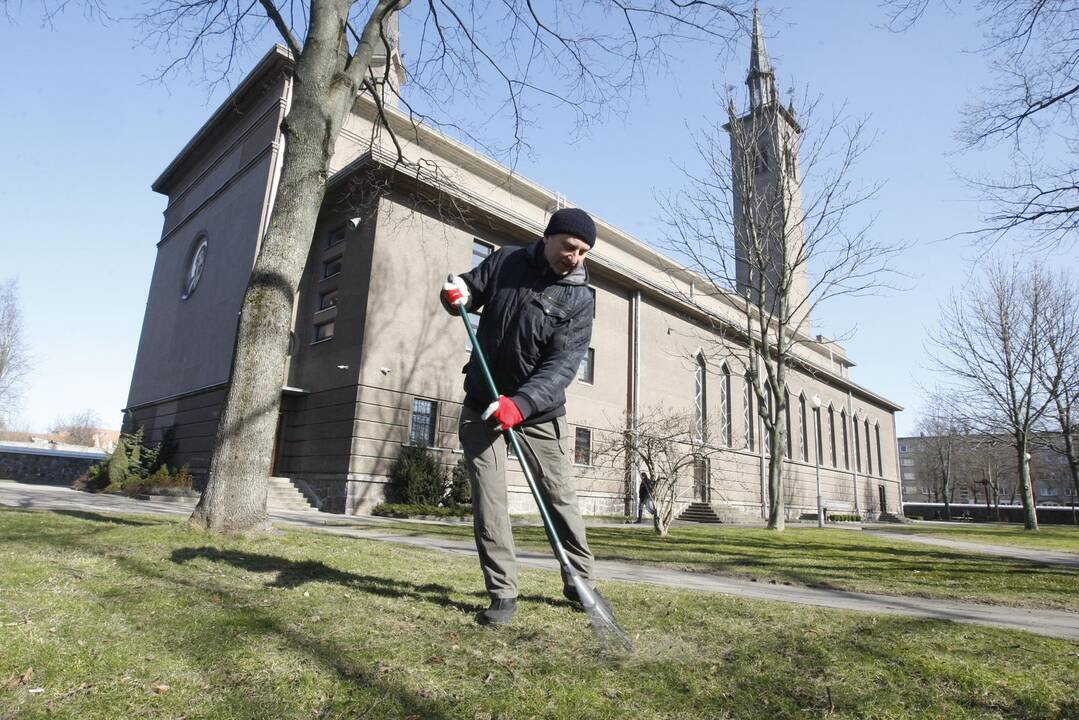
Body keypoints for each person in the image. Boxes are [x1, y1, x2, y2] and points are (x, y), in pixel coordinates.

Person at [439, 207, 606, 626]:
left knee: (560, 498)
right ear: (548, 237)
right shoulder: (506, 260)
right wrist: (456, 294)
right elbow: (470, 291)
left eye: (584, 252)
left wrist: (522, 404)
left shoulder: (580, 298)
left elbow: (562, 366)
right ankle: (502, 593)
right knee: (489, 501)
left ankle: (579, 580)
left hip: (538, 413)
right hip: (482, 403)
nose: (575, 258)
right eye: (570, 247)